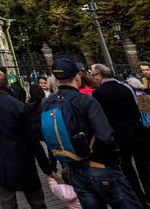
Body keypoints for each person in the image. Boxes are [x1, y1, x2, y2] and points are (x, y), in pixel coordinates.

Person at [43, 57, 142, 208]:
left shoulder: (48, 102)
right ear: (76, 76)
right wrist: (115, 159)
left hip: (74, 170)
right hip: (100, 166)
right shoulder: (85, 100)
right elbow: (105, 135)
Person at [0, 70, 51, 209]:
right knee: (36, 200)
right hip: (23, 158)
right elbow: (31, 138)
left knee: (7, 201)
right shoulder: (18, 104)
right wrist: (46, 167)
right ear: (7, 84)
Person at [90, 63, 150, 206]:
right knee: (145, 167)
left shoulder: (98, 93)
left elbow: (102, 117)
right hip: (136, 132)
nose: (92, 78)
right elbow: (136, 108)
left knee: (127, 169)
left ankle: (139, 199)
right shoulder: (126, 87)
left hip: (118, 136)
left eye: (92, 75)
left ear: (99, 76)